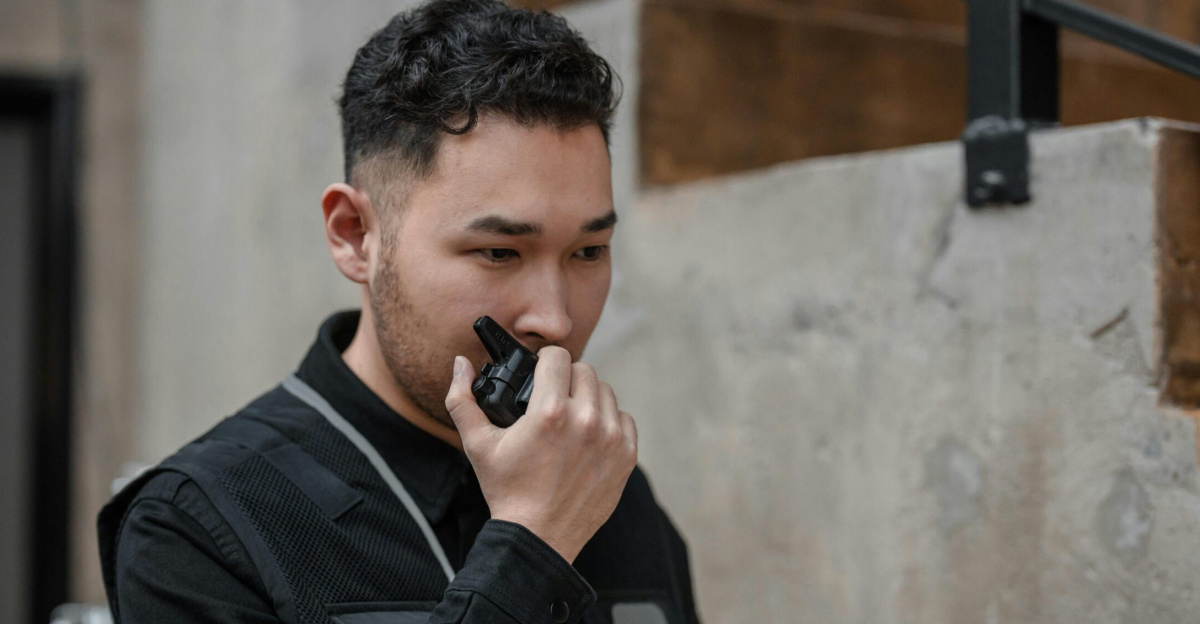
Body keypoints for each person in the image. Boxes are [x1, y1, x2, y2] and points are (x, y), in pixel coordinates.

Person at [97, 1, 700, 623]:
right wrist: (532, 547)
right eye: (499, 251)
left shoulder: (606, 492)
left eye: (588, 250)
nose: (555, 321)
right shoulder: (196, 525)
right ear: (356, 233)